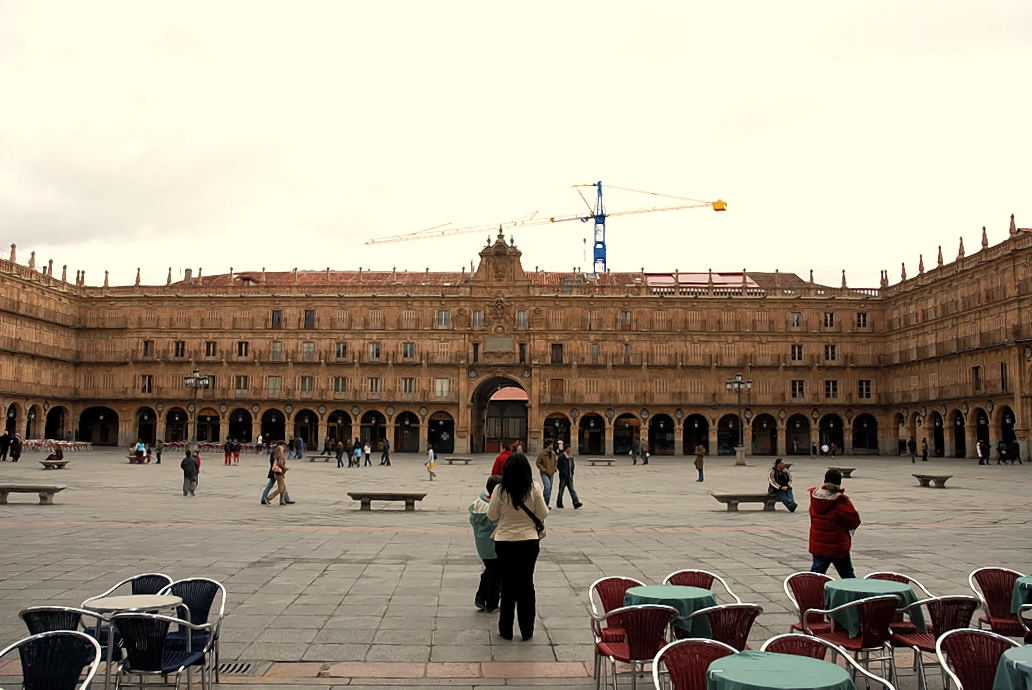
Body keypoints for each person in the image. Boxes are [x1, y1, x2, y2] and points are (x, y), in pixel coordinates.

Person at [487, 453, 548, 641]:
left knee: (507, 585)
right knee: (526, 585)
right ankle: (527, 630)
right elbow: (543, 513)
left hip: (504, 541)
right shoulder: (534, 488)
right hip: (528, 541)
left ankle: (506, 630)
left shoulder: (499, 490)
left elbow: (492, 516)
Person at [808, 468, 861, 578]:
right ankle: (852, 590)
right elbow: (854, 520)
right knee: (847, 575)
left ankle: (809, 589)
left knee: (816, 575)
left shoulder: (815, 497)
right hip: (837, 545)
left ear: (825, 480)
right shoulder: (840, 500)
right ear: (839, 482)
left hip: (818, 544)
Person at [469, 476, 501, 613]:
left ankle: (481, 598)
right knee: (496, 575)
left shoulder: (478, 503)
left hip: (482, 545)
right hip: (493, 546)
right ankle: (492, 603)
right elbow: (497, 524)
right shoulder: (492, 507)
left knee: (490, 571)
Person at [555, 443, 582, 509]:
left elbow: (572, 466)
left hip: (570, 476)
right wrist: (563, 472)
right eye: (569, 448)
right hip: (563, 476)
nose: (570, 450)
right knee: (561, 490)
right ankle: (559, 503)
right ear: (566, 449)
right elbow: (558, 466)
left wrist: (572, 473)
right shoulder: (561, 457)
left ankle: (576, 503)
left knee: (572, 489)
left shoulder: (571, 457)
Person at [535, 441, 557, 507]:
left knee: (550, 488)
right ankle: (543, 503)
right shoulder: (542, 453)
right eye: (551, 444)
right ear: (548, 445)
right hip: (544, 473)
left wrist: (554, 468)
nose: (552, 446)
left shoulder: (553, 453)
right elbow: (538, 462)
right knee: (547, 486)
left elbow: (555, 461)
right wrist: (543, 469)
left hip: (551, 473)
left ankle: (546, 504)